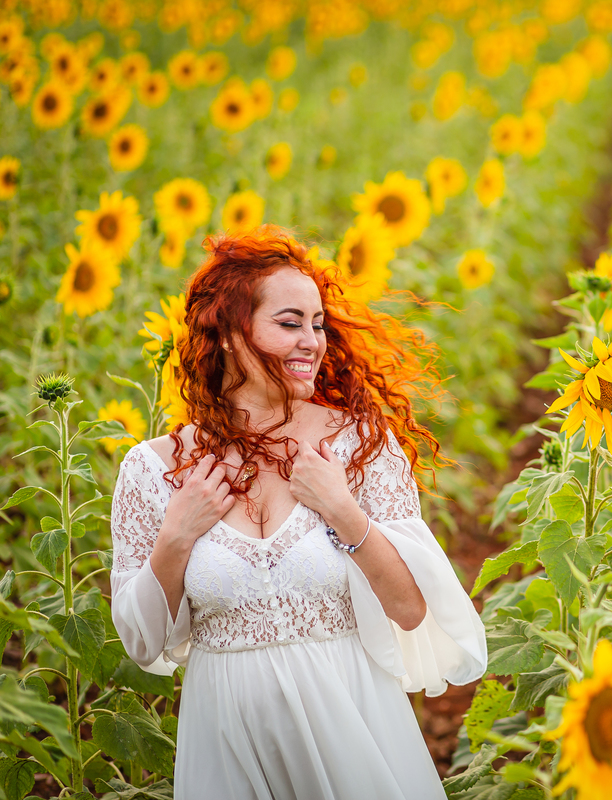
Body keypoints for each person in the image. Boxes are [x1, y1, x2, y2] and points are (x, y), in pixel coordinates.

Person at [109, 226, 487, 799]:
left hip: (353, 723)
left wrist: (343, 510)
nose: (312, 341)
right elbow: (142, 643)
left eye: (317, 324)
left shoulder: (358, 445)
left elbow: (411, 610)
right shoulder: (155, 469)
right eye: (290, 324)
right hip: (226, 738)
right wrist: (176, 537)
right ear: (229, 334)